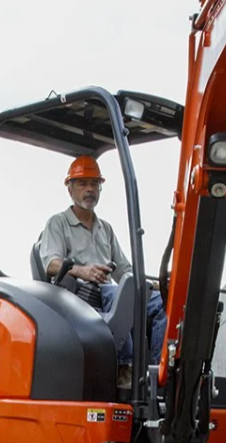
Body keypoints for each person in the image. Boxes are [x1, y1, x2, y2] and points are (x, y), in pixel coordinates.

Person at [40, 155, 166, 381]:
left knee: (162, 301)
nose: (89, 190)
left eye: (94, 184)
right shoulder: (57, 223)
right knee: (122, 302)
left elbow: (125, 270)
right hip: (79, 298)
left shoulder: (105, 229)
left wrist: (152, 285)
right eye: (82, 184)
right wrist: (83, 271)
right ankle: (125, 374)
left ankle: (158, 377)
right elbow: (51, 263)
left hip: (110, 293)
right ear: (70, 189)